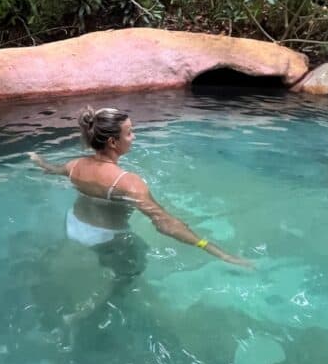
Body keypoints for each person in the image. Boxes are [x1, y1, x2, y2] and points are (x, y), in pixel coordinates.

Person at [29, 106, 252, 278]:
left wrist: (40, 162)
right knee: (131, 274)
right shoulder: (128, 183)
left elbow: (54, 170)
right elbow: (164, 223)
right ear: (112, 142)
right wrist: (214, 250)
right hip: (105, 237)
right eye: (129, 132)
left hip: (74, 226)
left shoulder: (74, 165)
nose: (134, 137)